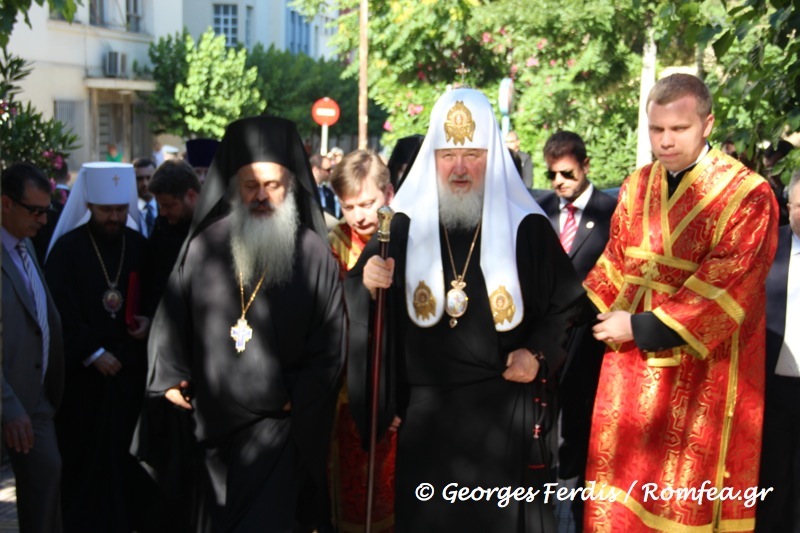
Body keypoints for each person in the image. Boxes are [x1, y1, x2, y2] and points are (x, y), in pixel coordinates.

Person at [353, 87, 583, 532]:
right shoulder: (398, 225)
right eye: (448, 155)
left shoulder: (527, 227)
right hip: (427, 417)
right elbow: (356, 300)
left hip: (502, 415)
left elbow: (569, 304)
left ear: (492, 157)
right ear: (432, 158)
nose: (459, 168)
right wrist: (365, 282)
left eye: (472, 155)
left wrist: (536, 354)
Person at [583, 73, 779, 531]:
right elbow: (613, 265)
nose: (665, 141)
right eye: (656, 130)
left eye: (679, 129)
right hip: (627, 367)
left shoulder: (748, 195)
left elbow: (728, 285)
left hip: (700, 370)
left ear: (707, 124)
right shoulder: (637, 185)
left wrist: (639, 327)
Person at [145, 115, 344, 532]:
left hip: (275, 425)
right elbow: (172, 316)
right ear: (233, 184)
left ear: (290, 184)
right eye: (250, 185)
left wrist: (300, 396)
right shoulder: (204, 246)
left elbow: (331, 342)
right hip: (211, 423)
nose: (261, 196)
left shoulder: (311, 255)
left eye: (272, 185)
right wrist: (169, 376)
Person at [44, 162, 154, 532]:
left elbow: (153, 300)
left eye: (121, 210)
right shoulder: (67, 250)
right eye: (107, 210)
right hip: (84, 379)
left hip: (128, 372)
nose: (115, 217)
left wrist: (147, 325)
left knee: (126, 462)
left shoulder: (139, 245)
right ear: (89, 205)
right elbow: (59, 310)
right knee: (85, 463)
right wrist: (92, 353)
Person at [535, 131, 616, 531]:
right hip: (545, 344)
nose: (558, 183)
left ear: (585, 166)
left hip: (589, 343)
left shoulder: (612, 211)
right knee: (543, 430)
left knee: (581, 431)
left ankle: (581, 514)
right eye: (552, 174)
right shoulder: (540, 208)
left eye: (566, 173)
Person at [327, 150, 396, 532]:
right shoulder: (333, 242)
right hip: (348, 392)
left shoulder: (406, 234)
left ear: (387, 192)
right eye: (349, 206)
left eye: (368, 203)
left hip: (397, 391)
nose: (360, 216)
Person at [2, 162, 65, 533]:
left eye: (47, 211)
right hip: (8, 400)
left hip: (36, 399)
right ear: (5, 204)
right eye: (35, 211)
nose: (43, 220)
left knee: (46, 477)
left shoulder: (25, 247)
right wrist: (9, 407)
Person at [757, 171, 800, 531]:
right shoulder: (768, 248)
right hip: (773, 389)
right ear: (789, 207)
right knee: (772, 477)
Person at [145, 158, 201, 303]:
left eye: (169, 205)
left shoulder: (212, 228)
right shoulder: (162, 225)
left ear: (191, 196)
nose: (163, 212)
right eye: (160, 206)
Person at [311, 153, 340, 226]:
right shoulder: (305, 192)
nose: (331, 172)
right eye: (328, 170)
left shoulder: (329, 193)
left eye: (331, 169)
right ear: (315, 170)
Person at [134, 158, 158, 238]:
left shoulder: (166, 208)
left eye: (149, 178)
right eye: (140, 179)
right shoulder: (128, 212)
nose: (145, 183)